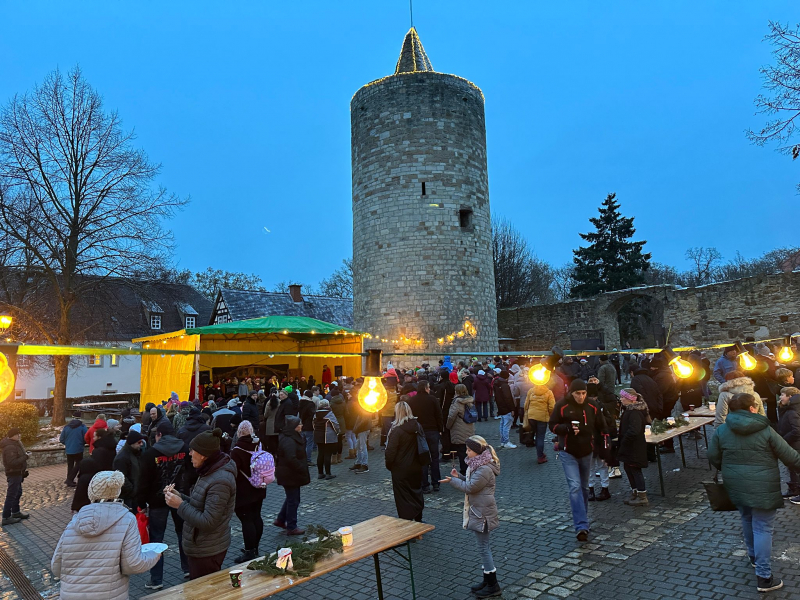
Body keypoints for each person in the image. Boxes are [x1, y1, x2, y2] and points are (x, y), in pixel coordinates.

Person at [708, 392, 800, 593]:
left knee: (747, 519)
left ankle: (753, 558)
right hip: (763, 487)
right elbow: (790, 456)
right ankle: (764, 577)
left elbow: (713, 457)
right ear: (752, 408)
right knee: (763, 528)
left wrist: (729, 468)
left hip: (735, 485)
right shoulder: (766, 430)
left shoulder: (722, 430)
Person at [52, 471, 162, 599]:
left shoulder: (74, 522)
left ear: (91, 492)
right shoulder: (127, 519)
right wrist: (154, 555)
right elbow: (133, 564)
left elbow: (56, 566)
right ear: (117, 491)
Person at [164, 428, 237, 579]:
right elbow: (200, 505)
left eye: (192, 450)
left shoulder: (220, 481)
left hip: (208, 550)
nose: (189, 454)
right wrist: (180, 497)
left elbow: (208, 521)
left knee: (206, 589)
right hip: (202, 547)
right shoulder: (209, 470)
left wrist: (180, 505)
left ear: (203, 454)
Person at [440, 435, 501, 598]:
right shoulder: (478, 465)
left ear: (477, 451)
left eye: (469, 450)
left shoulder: (484, 468)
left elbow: (471, 487)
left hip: (483, 512)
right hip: (480, 509)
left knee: (483, 548)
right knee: (483, 547)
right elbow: (471, 483)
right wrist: (458, 477)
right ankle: (487, 580)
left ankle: (493, 585)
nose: (466, 453)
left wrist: (453, 481)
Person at [548, 379, 608, 541]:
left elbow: (602, 426)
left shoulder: (592, 406)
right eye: (577, 393)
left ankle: (583, 519)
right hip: (568, 452)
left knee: (584, 488)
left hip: (587, 451)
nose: (581, 397)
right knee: (574, 487)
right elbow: (552, 425)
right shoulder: (562, 405)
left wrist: (605, 446)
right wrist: (566, 428)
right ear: (571, 393)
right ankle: (581, 525)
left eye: (583, 393)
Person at [139, 421, 191, 587]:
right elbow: (191, 471)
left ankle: (156, 579)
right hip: (179, 496)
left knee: (156, 538)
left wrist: (141, 502)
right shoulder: (185, 448)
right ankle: (188, 568)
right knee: (183, 533)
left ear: (159, 435)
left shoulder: (150, 453)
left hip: (157, 500)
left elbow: (143, 481)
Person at [231, 421, 269, 562]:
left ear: (239, 433)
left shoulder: (237, 450)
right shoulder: (259, 444)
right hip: (259, 486)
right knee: (257, 517)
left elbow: (233, 471)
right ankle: (255, 547)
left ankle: (249, 551)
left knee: (246, 520)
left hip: (244, 491)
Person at [385, 401, 425, 522]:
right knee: (416, 492)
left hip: (400, 468)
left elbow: (390, 451)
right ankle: (418, 518)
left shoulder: (396, 430)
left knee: (402, 497)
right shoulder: (417, 426)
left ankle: (406, 521)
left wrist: (389, 465)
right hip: (416, 466)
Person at [274, 416, 310, 535]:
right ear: (294, 427)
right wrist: (301, 467)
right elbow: (291, 458)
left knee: (291, 498)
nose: (301, 426)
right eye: (299, 424)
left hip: (290, 474)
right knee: (293, 500)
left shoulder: (292, 436)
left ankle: (280, 519)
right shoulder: (289, 440)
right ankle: (291, 526)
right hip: (290, 474)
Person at [407, 380, 443, 493]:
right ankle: (436, 483)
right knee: (434, 458)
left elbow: (410, 417)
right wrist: (440, 429)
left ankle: (424, 485)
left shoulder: (412, 400)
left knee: (422, 458)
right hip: (433, 431)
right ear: (426, 388)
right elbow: (439, 415)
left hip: (418, 432)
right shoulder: (432, 399)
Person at [617, 389, 650, 506]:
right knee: (628, 468)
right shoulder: (629, 411)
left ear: (630, 399)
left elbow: (634, 430)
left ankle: (642, 496)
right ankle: (635, 492)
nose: (621, 399)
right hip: (629, 447)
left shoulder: (634, 413)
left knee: (635, 470)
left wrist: (624, 441)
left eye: (622, 397)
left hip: (634, 447)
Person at [1, 428, 29, 526]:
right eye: (17, 434)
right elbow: (12, 462)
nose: (19, 436)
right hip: (13, 473)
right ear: (12, 436)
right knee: (11, 495)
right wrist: (25, 457)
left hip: (18, 472)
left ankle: (15, 512)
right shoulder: (9, 447)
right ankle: (6, 517)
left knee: (18, 492)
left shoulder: (15, 444)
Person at [112, 430, 145, 510]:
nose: (141, 444)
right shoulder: (122, 458)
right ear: (132, 443)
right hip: (128, 496)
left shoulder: (137, 453)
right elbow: (120, 477)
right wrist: (132, 490)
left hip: (135, 494)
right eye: (139, 442)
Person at [777, 387, 800, 501]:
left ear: (790, 396)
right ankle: (794, 489)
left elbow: (797, 430)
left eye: (783, 395)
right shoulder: (789, 409)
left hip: (795, 444)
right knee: (792, 467)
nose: (780, 397)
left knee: (795, 468)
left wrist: (784, 440)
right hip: (793, 443)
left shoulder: (792, 411)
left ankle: (796, 489)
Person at [447, 384, 476, 474]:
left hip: (459, 429)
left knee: (461, 452)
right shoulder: (469, 400)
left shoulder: (456, 402)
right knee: (468, 450)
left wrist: (448, 426)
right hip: (469, 427)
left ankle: (464, 471)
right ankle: (470, 469)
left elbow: (451, 416)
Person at [523, 382, 555, 464]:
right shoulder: (549, 392)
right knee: (540, 437)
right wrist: (550, 415)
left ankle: (539, 452)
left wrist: (527, 413)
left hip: (531, 416)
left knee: (534, 434)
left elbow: (526, 404)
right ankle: (540, 456)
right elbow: (552, 407)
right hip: (542, 417)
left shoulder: (531, 391)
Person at [313, 399, 340, 479]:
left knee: (320, 453)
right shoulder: (329, 413)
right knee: (327, 454)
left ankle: (320, 473)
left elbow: (313, 424)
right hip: (328, 436)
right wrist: (337, 432)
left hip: (318, 435)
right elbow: (335, 424)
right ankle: (328, 474)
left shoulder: (316, 414)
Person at [60, 412, 88, 488]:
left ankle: (69, 480)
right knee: (79, 464)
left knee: (70, 465)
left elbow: (61, 439)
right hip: (78, 449)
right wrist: (82, 443)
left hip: (69, 449)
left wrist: (68, 444)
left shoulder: (66, 427)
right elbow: (86, 437)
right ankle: (69, 479)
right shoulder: (82, 427)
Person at [493, 371, 516, 449]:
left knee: (502, 425)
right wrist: (512, 408)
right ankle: (506, 442)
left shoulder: (496, 384)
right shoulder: (505, 385)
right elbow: (508, 398)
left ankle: (503, 441)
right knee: (506, 425)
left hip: (501, 407)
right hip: (506, 408)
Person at [299, 390, 317, 463]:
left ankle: (302, 459)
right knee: (309, 443)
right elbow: (312, 415)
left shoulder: (300, 403)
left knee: (303, 443)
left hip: (302, 425)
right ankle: (308, 460)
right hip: (309, 425)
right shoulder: (310, 404)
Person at [263, 390, 280, 456]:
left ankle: (272, 454)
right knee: (277, 439)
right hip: (277, 422)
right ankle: (277, 453)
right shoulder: (280, 402)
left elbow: (265, 414)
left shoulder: (268, 403)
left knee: (271, 440)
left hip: (270, 423)